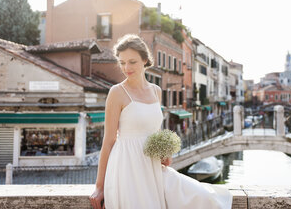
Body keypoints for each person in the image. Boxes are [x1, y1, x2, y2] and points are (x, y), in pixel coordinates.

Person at [89, 34, 232, 209]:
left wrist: (165, 153)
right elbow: (108, 141)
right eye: (122, 62)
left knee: (204, 197)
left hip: (153, 166)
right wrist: (99, 186)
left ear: (144, 60)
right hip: (127, 167)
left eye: (132, 62)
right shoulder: (116, 92)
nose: (126, 67)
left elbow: (155, 132)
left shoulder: (156, 91)